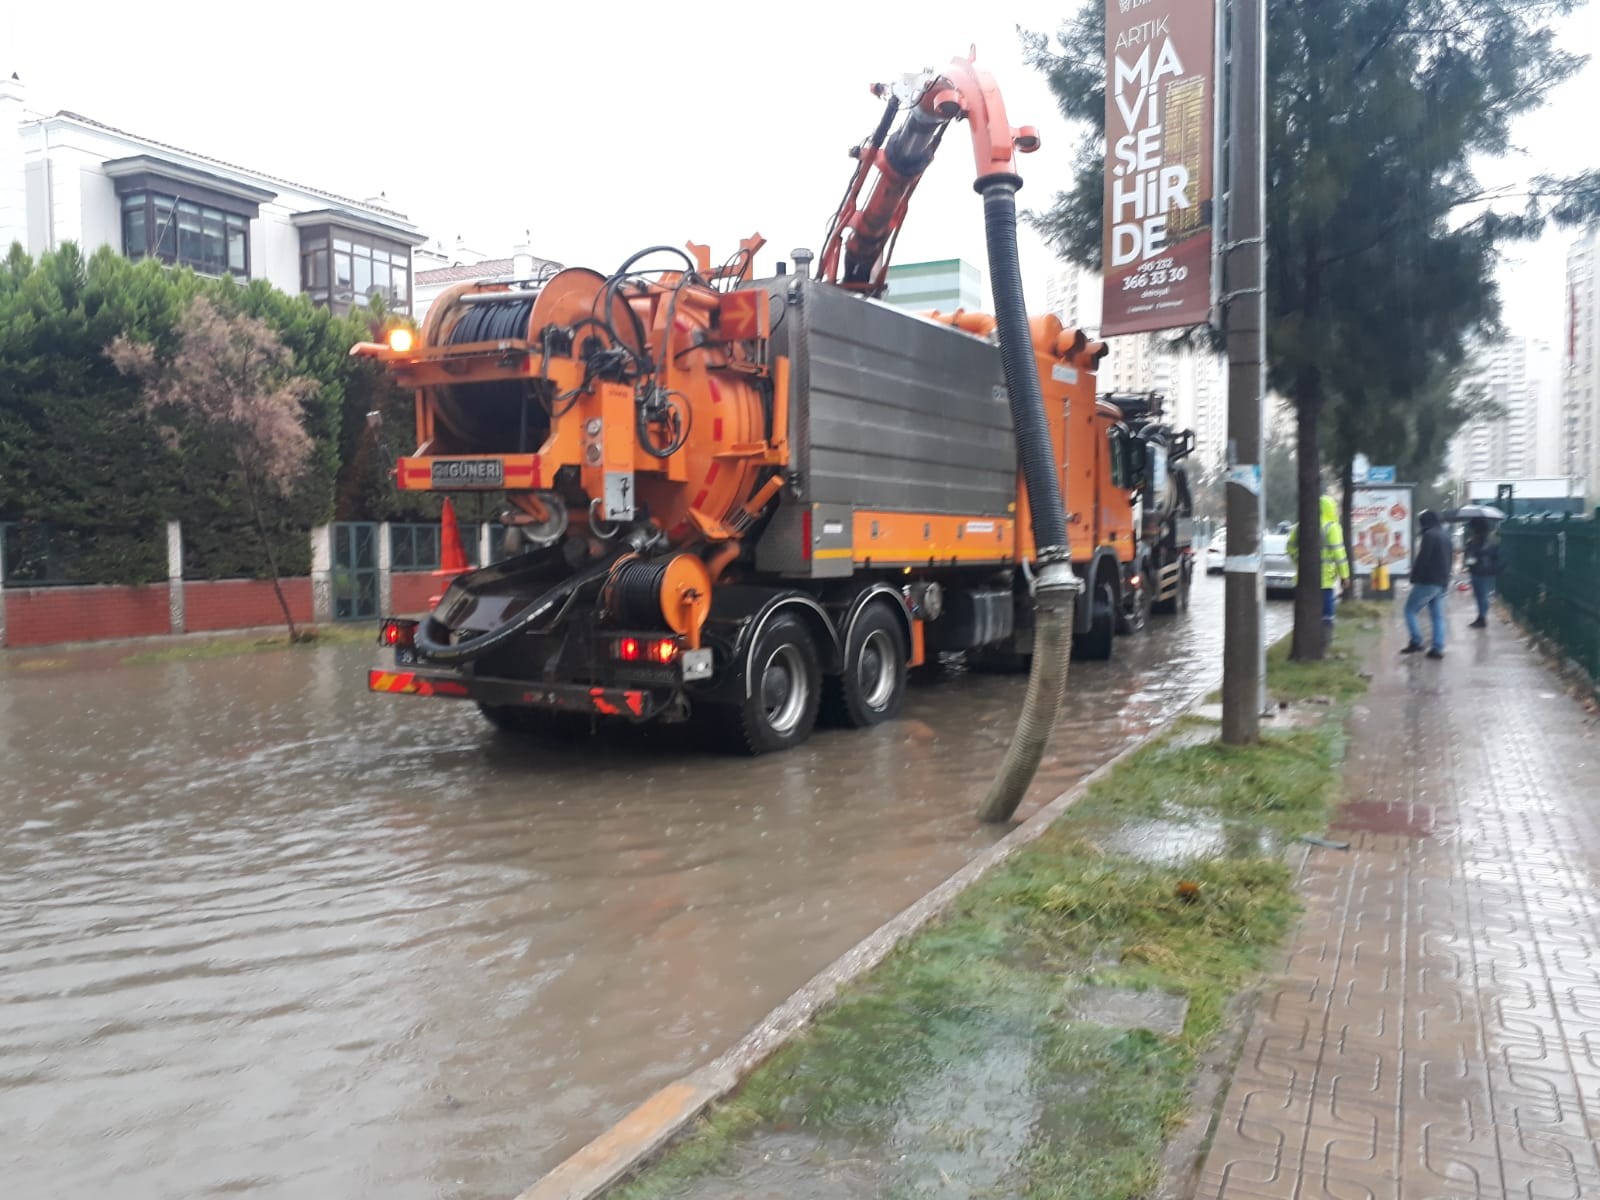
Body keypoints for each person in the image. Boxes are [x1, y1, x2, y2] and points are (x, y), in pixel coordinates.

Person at [1287, 495, 1351, 631]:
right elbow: (1339, 553)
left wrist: (1299, 559)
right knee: (1326, 617)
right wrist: (1344, 575)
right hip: (1324, 582)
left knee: (1306, 616)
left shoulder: (1302, 525)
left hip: (1303, 580)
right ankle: (1323, 643)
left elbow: (1290, 546)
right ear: (1330, 509)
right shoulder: (1332, 527)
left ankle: (1308, 641)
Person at [1402, 509, 1452, 658]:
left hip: (1427, 581)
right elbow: (1450, 560)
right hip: (1442, 582)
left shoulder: (1429, 535)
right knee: (1437, 616)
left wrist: (1414, 576)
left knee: (1409, 610)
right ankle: (1437, 648)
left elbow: (1423, 558)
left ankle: (1416, 641)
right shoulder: (1445, 536)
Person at [1463, 516, 1502, 628]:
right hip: (1489, 570)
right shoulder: (1492, 539)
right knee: (1484, 594)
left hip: (1478, 571)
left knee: (1480, 595)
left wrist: (1469, 558)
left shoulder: (1475, 540)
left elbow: (1471, 558)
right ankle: (1482, 616)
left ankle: (1482, 618)